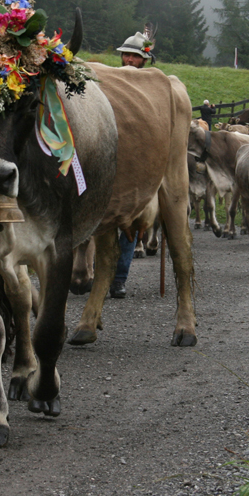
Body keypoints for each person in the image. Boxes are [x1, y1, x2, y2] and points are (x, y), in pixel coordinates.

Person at [109, 30, 154, 298]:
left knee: (131, 225)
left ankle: (119, 278)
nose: (128, 60)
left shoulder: (151, 86)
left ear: (144, 60)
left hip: (139, 163)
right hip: (111, 157)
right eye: (126, 54)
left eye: (135, 56)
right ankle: (92, 273)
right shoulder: (110, 82)